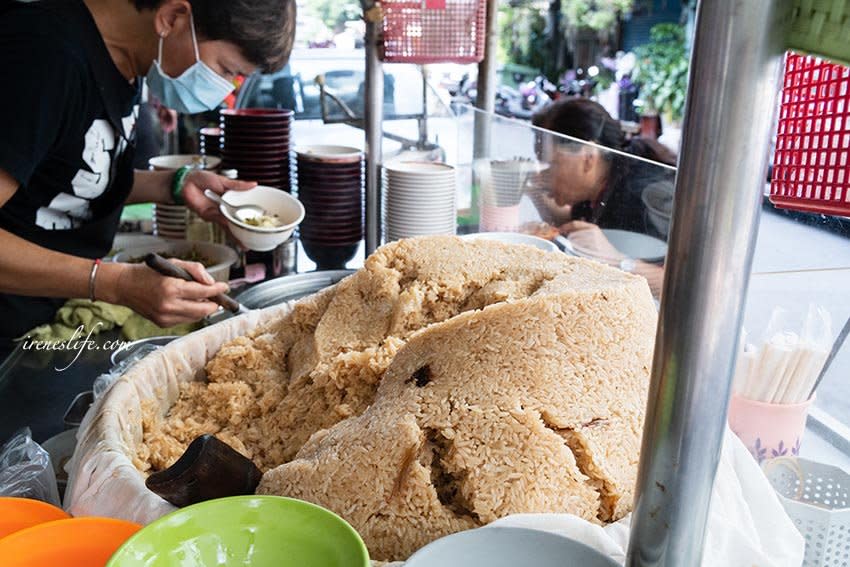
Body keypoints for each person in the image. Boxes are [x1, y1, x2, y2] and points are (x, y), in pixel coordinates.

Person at [0, 0, 296, 359]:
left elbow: (68, 177)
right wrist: (116, 283)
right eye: (225, 68)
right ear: (172, 16)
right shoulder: (43, 57)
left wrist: (174, 184)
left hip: (46, 317)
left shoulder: (129, 61)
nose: (224, 86)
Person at [531, 98, 677, 296]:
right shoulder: (599, 188)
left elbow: (679, 285)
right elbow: (581, 232)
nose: (543, 175)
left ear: (588, 157)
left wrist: (616, 261)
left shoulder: (644, 193)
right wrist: (532, 191)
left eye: (552, 165)